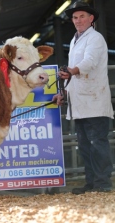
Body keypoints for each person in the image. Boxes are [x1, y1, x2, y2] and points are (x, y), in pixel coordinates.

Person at [53, 1, 114, 194]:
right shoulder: (74, 40)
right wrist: (63, 92)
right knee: (85, 145)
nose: (78, 20)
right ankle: (91, 182)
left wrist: (71, 71)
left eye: (82, 16)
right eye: (75, 17)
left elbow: (89, 62)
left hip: (94, 100)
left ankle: (103, 183)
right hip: (80, 101)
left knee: (97, 143)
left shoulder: (95, 38)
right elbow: (72, 71)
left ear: (91, 18)